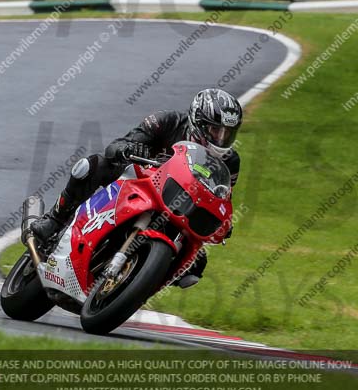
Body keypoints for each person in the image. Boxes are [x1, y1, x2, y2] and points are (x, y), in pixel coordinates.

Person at [31, 88, 243, 287]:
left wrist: (224, 223)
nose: (221, 139)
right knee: (94, 165)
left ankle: (143, 282)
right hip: (142, 182)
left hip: (180, 206)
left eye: (227, 133)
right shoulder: (167, 122)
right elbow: (117, 146)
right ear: (198, 121)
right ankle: (55, 219)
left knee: (196, 262)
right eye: (215, 131)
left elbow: (222, 197)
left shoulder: (230, 162)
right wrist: (128, 149)